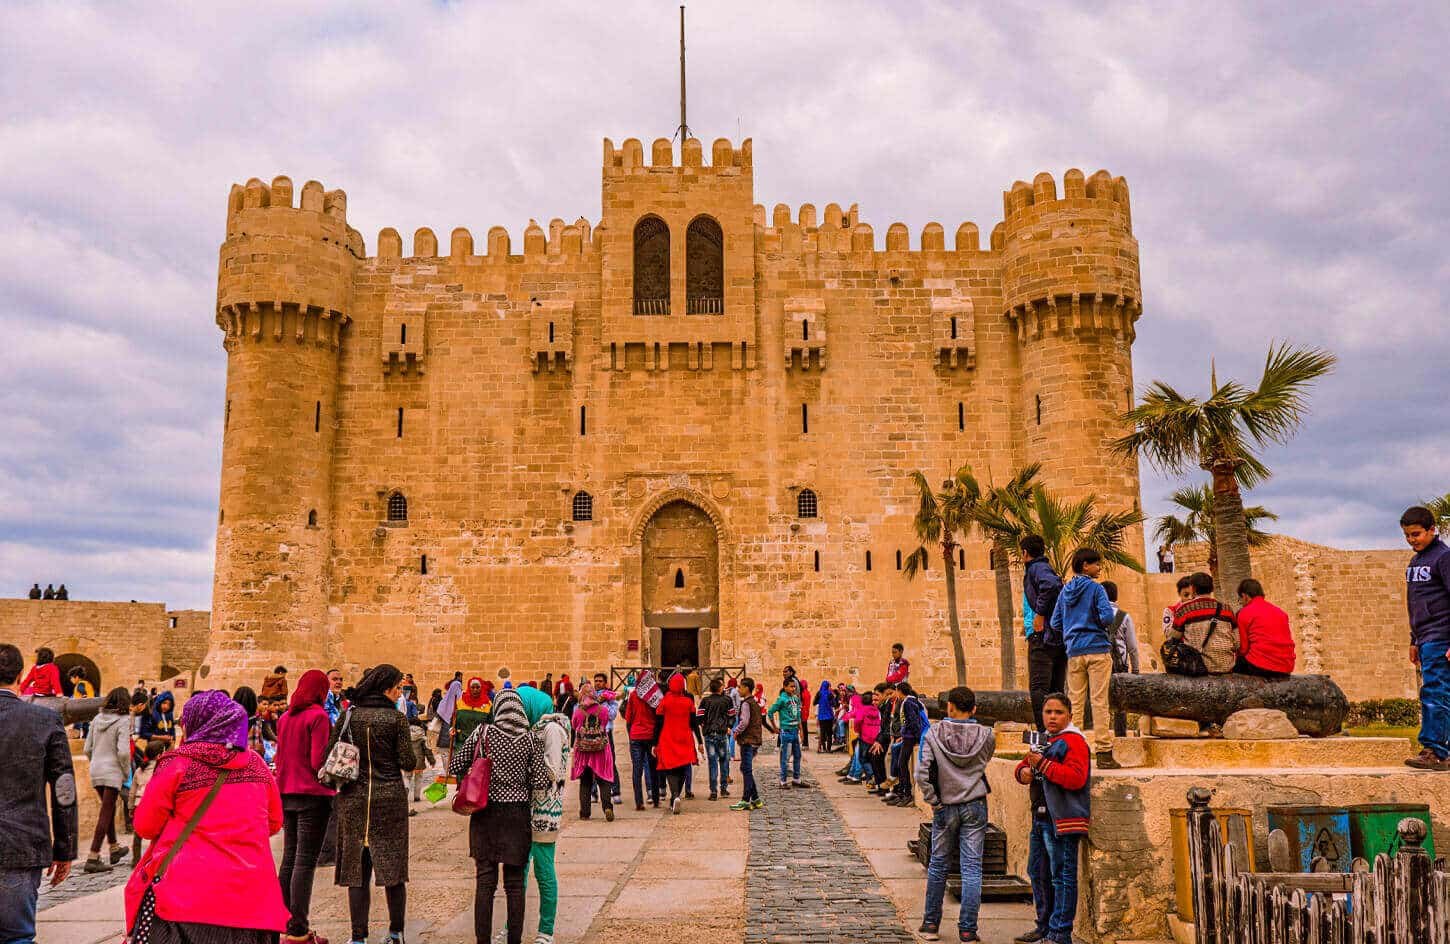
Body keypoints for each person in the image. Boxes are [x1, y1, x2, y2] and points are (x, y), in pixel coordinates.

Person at [124, 689, 289, 944]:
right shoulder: (256, 765)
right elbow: (274, 822)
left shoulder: (177, 764)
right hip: (253, 902)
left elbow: (145, 826)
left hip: (184, 900)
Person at [448, 689, 546, 944]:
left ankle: (483, 941)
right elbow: (540, 781)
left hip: (486, 813)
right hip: (517, 816)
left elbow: (456, 765)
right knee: (515, 885)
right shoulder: (531, 739)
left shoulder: (484, 733)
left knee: (485, 882)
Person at [329, 664, 416, 944]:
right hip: (389, 800)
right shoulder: (396, 719)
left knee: (357, 872)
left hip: (353, 800)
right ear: (385, 688)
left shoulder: (349, 715)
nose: (399, 692)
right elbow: (408, 761)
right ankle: (396, 933)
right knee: (393, 870)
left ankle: (358, 937)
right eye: (397, 687)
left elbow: (328, 753)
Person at [0, 643, 76, 943]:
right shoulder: (44, 721)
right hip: (21, 843)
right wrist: (65, 849)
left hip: (19, 845)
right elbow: (64, 789)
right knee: (16, 936)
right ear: (20, 676)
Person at [916, 685, 995, 942]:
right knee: (971, 867)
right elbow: (984, 761)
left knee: (938, 865)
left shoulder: (933, 733)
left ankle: (930, 924)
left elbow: (921, 773)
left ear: (949, 707)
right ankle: (968, 929)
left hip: (945, 804)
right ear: (974, 709)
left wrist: (933, 800)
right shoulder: (987, 735)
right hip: (975, 803)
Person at [1014, 693, 1091, 944]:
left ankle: (1060, 933)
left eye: (1058, 712)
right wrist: (1023, 772)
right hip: (1040, 818)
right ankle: (1044, 926)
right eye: (1048, 712)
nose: (1052, 717)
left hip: (1062, 821)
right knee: (1037, 873)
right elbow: (1023, 766)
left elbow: (1076, 778)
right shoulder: (1045, 740)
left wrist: (1043, 765)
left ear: (1069, 715)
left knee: (1062, 876)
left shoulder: (1074, 742)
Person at [275, 669, 334, 944]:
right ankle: (299, 929)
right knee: (305, 861)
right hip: (312, 795)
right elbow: (317, 760)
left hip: (286, 793)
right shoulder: (318, 717)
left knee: (289, 857)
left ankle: (283, 920)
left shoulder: (285, 718)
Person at [1051, 548, 1120, 769]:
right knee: (1099, 702)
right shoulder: (1096, 589)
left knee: (1075, 704)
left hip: (1074, 652)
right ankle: (1104, 752)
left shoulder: (1065, 591)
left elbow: (1055, 622)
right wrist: (1094, 623)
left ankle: (1074, 751)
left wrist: (1072, 629)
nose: (1099, 568)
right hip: (1097, 649)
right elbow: (1107, 617)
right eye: (1096, 564)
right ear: (1085, 566)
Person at [515, 686, 569, 944]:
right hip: (527, 810)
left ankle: (546, 931)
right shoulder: (534, 729)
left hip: (545, 813)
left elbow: (553, 771)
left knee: (544, 872)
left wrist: (523, 764)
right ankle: (513, 925)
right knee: (518, 873)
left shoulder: (552, 730)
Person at [1402, 505, 1450, 770]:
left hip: (1441, 636)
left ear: (1432, 530)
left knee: (1435, 693)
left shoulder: (1444, 558)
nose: (1412, 540)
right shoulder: (1415, 562)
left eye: (1416, 534)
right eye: (1407, 535)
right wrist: (1414, 640)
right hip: (1425, 638)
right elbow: (1415, 604)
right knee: (1432, 692)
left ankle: (1436, 751)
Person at [81, 687, 132, 874]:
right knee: (106, 812)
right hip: (112, 770)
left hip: (96, 768)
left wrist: (95, 762)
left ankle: (114, 847)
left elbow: (87, 748)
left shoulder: (96, 719)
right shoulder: (123, 721)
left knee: (107, 809)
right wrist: (126, 772)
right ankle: (93, 856)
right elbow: (124, 752)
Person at [1022, 535, 1066, 731]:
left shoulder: (1037, 568)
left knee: (1039, 688)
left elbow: (1050, 585)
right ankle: (1057, 733)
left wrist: (1039, 614)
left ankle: (1044, 733)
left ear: (1025, 553)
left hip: (1043, 637)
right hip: (1055, 637)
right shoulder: (1044, 567)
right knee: (1055, 689)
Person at [1167, 572, 1239, 676]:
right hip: (1226, 667)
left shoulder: (1184, 610)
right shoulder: (1227, 609)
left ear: (1193, 589)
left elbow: (1172, 639)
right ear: (1212, 588)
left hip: (1197, 667)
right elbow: (1237, 642)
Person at [652, 673, 700, 814]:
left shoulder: (665, 701)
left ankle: (674, 795)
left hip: (668, 738)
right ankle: (676, 795)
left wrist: (654, 743)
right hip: (685, 738)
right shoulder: (688, 702)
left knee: (670, 769)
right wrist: (700, 741)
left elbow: (658, 724)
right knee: (683, 767)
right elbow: (694, 723)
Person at [569, 683, 615, 821]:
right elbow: (605, 724)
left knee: (585, 782)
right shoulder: (603, 710)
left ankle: (585, 812)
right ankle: (607, 807)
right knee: (604, 779)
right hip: (601, 750)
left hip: (583, 750)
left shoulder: (578, 711)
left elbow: (574, 725)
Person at [1234, 579, 1296, 680]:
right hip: (1286, 666)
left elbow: (1244, 648)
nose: (1241, 603)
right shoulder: (1280, 612)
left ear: (1244, 596)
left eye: (1240, 599)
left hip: (1261, 666)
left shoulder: (1244, 612)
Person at [1100, 581, 1140, 738]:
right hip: (1120, 665)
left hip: (1099, 663)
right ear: (1116, 596)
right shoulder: (1124, 616)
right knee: (1120, 703)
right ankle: (1120, 737)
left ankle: (1100, 736)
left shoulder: (1094, 615)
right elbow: (1132, 647)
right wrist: (1135, 670)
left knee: (1099, 700)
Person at [889, 682, 929, 807]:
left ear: (900, 691)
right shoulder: (909, 701)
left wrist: (915, 737)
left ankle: (906, 794)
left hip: (910, 737)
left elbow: (913, 722)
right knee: (899, 761)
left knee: (902, 764)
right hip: (907, 736)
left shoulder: (908, 703)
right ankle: (901, 792)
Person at [730, 677, 765, 811]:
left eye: (740, 687)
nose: (738, 689)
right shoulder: (754, 702)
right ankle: (755, 798)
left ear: (746, 688)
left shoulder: (746, 703)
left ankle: (745, 800)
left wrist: (736, 731)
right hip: (754, 739)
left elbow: (744, 721)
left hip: (748, 741)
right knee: (745, 768)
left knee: (746, 769)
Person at [623, 682, 660, 809]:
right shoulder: (654, 695)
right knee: (653, 769)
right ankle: (655, 799)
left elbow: (628, 718)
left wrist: (631, 734)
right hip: (650, 736)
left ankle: (639, 802)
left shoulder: (633, 695)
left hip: (636, 735)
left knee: (637, 770)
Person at [699, 677, 734, 800]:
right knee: (724, 761)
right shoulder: (727, 700)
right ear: (720, 688)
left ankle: (713, 791)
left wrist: (704, 725)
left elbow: (699, 717)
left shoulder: (705, 701)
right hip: (722, 733)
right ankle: (723, 789)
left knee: (712, 762)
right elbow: (732, 715)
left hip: (709, 734)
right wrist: (729, 726)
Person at [768, 679, 805, 788]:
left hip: (795, 731)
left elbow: (798, 716)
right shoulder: (781, 699)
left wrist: (801, 730)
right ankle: (783, 781)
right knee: (785, 757)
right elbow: (770, 712)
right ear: (785, 687)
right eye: (791, 686)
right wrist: (774, 727)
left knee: (797, 755)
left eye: (794, 687)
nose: (793, 689)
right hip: (786, 731)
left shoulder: (795, 699)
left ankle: (796, 779)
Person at [233, 685, 278, 765]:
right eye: (264, 704)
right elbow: (260, 746)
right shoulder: (256, 720)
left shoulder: (230, 720)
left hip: (234, 761)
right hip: (252, 761)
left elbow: (227, 745)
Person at [813, 680, 836, 753]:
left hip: (821, 716)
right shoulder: (830, 694)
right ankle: (829, 749)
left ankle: (824, 748)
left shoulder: (819, 693)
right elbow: (834, 704)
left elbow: (814, 703)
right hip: (829, 716)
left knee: (822, 733)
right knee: (829, 733)